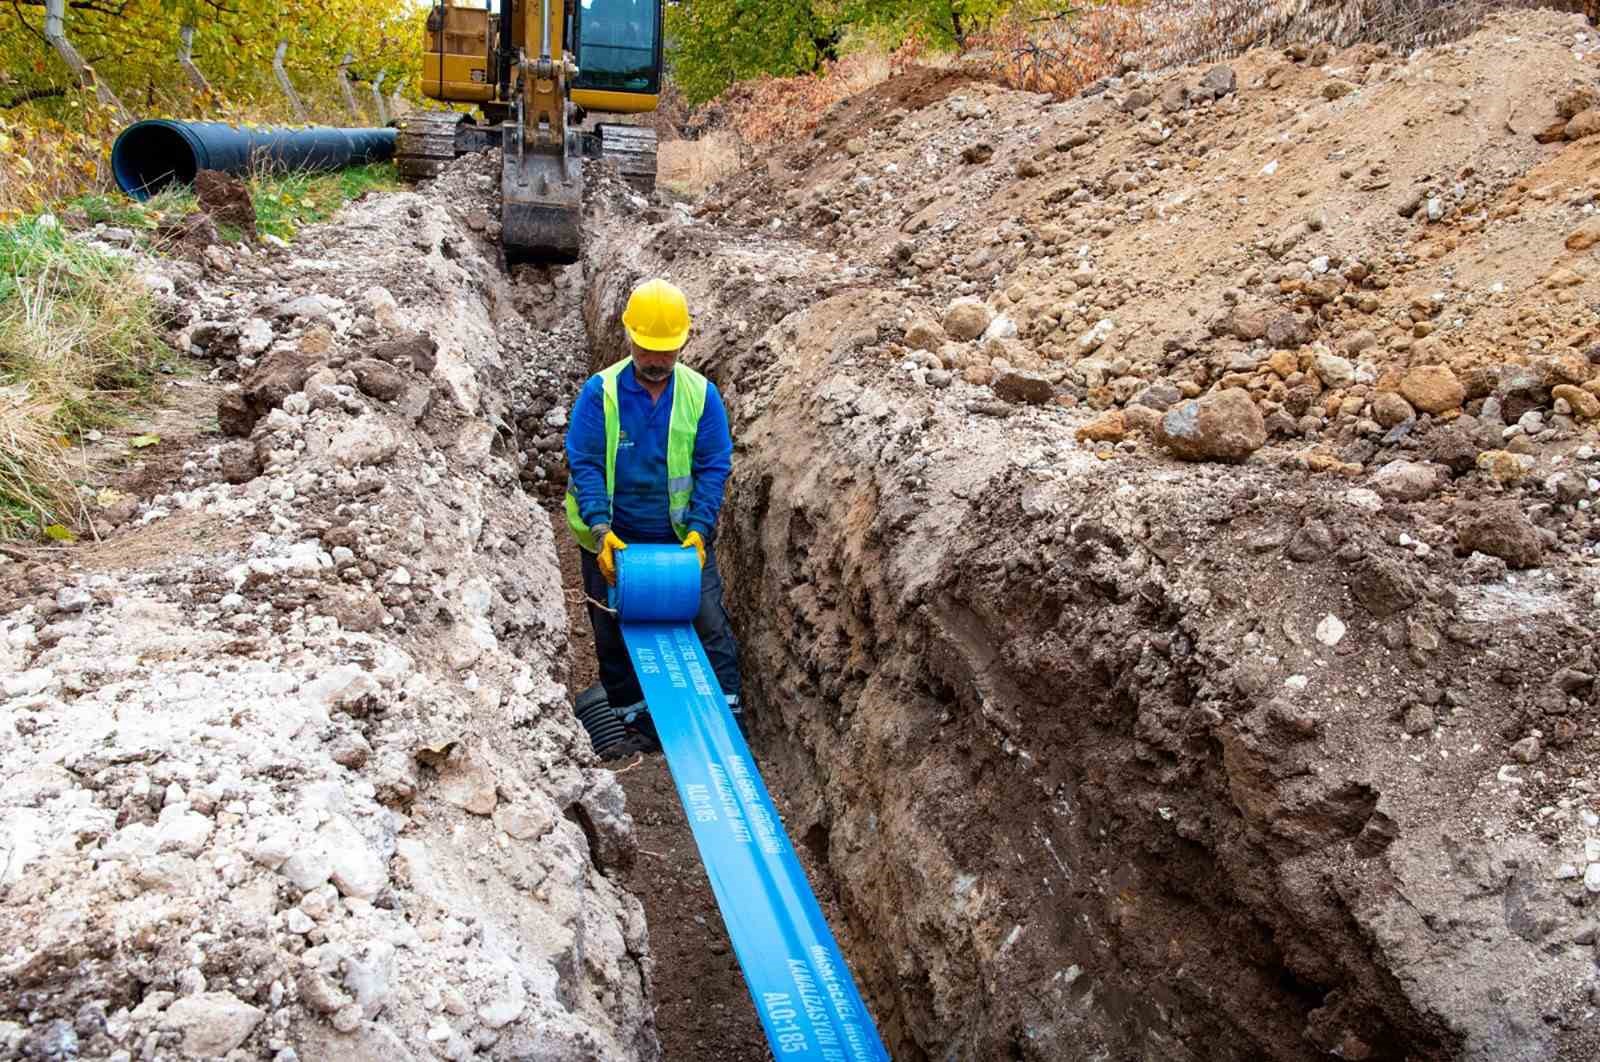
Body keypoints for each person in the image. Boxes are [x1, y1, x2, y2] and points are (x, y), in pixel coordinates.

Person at [563, 277, 743, 754]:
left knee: (707, 620)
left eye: (668, 351)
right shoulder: (599, 393)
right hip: (612, 536)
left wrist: (701, 529)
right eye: (648, 349)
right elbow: (584, 463)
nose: (658, 360)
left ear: (684, 342)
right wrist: (601, 530)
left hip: (679, 534)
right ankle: (633, 718)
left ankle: (725, 715)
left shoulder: (702, 396)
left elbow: (712, 465)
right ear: (630, 337)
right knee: (612, 627)